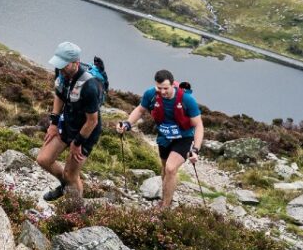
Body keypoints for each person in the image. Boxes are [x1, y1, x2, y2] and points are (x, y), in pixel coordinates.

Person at [117, 70, 203, 209]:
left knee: (170, 168)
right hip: (164, 137)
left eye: (165, 88)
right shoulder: (150, 94)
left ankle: (165, 206)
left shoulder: (187, 99)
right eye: (159, 88)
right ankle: (166, 196)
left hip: (183, 138)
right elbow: (140, 110)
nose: (162, 91)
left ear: (172, 85)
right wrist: (127, 124)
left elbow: (198, 125)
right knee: (164, 169)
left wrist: (196, 149)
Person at [36, 41, 105, 202]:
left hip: (86, 132)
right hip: (67, 123)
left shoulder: (89, 86)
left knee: (71, 174)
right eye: (58, 64)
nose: (60, 68)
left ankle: (76, 210)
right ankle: (64, 186)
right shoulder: (61, 72)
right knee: (43, 159)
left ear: (76, 63)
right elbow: (59, 96)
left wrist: (77, 143)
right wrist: (53, 124)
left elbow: (92, 121)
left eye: (64, 65)